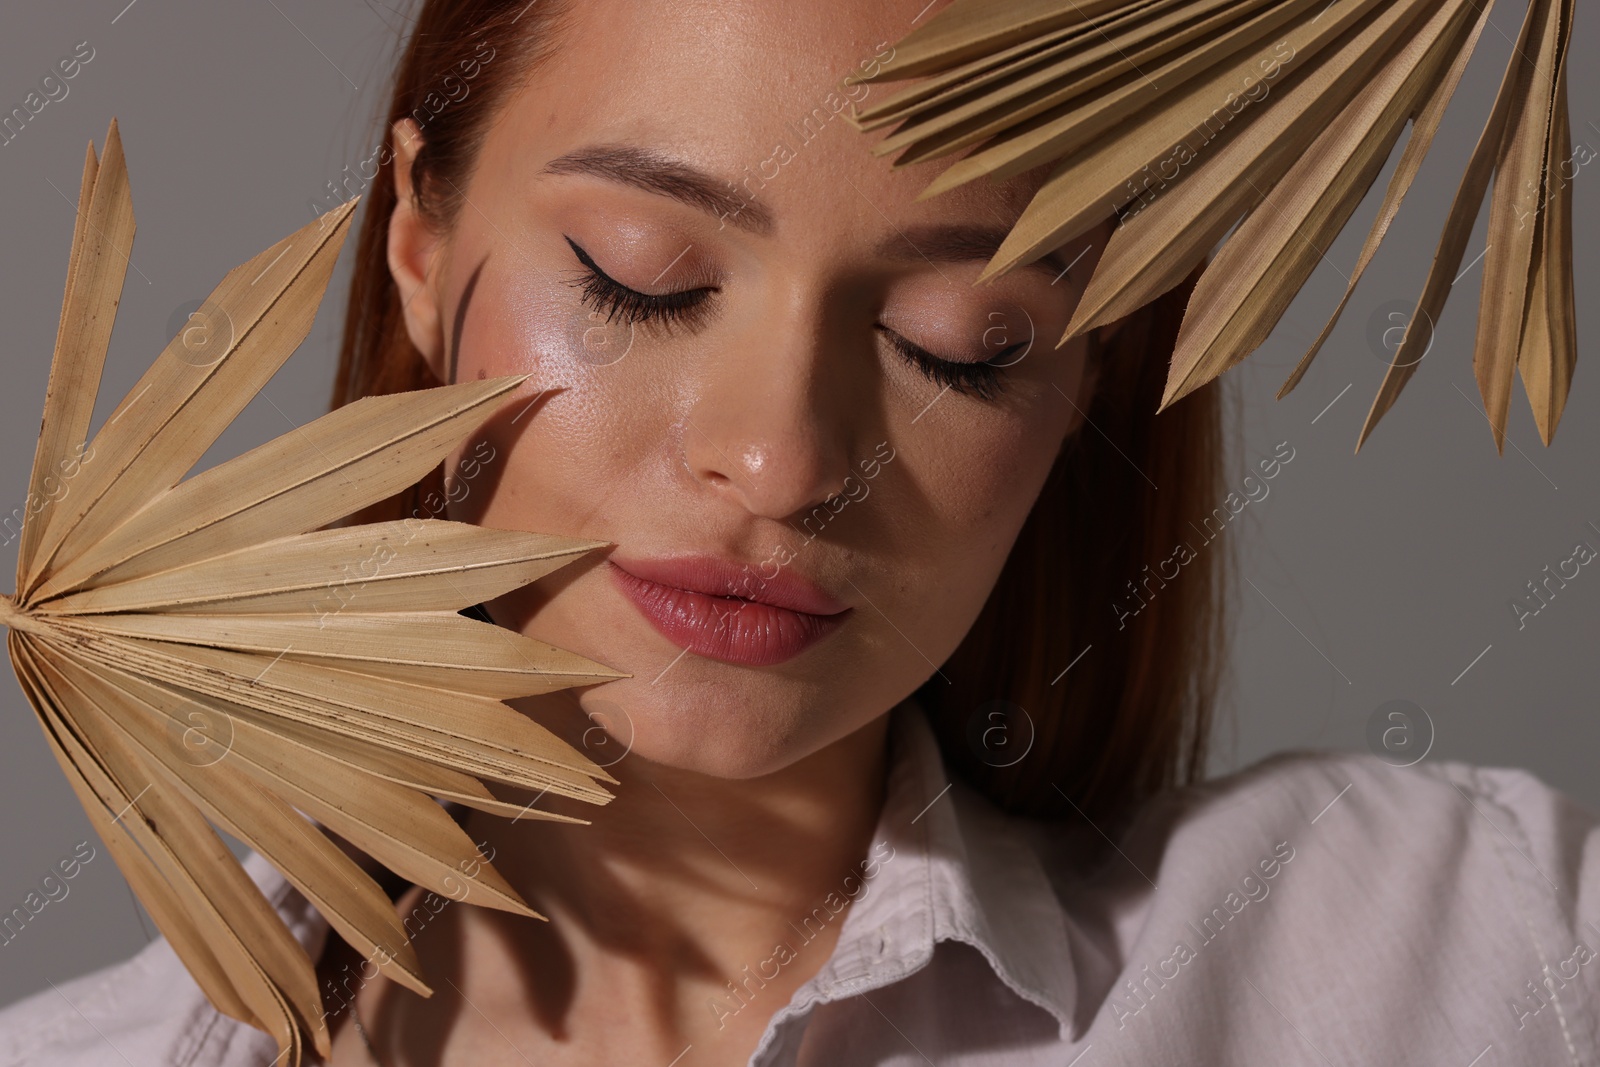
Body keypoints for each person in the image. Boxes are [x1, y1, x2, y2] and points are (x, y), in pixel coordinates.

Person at [3, 0, 1596, 1064]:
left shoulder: (1444, 946)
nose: (777, 459)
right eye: (641, 277)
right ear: (419, 240)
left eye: (962, 342)